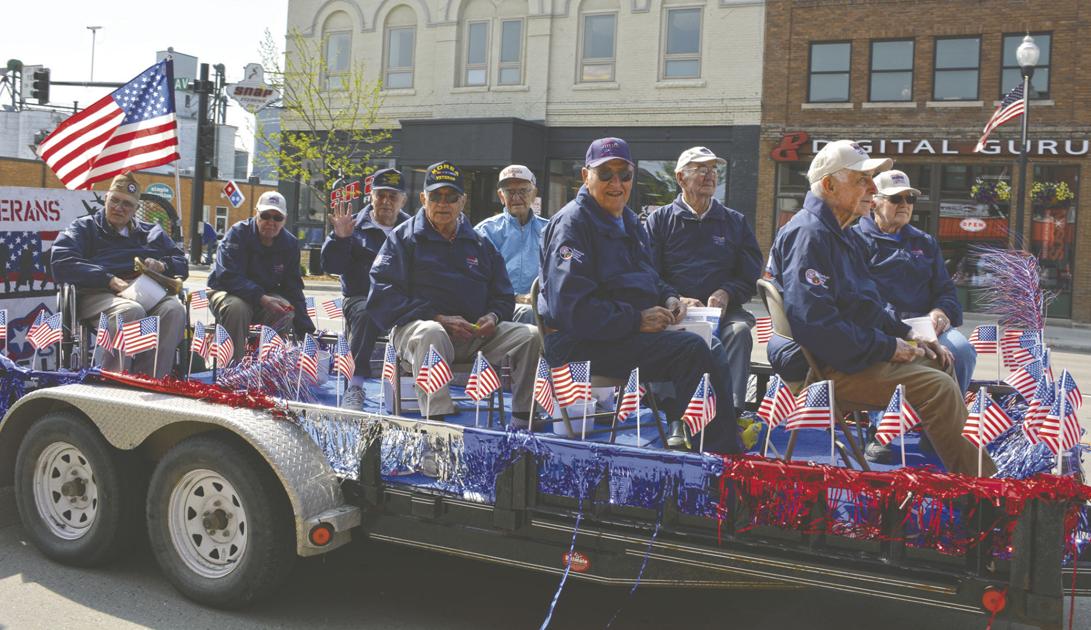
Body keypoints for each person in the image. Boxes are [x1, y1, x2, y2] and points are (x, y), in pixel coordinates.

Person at [765, 140, 993, 477]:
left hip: (839, 352)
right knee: (940, 387)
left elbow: (863, 305)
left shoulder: (839, 233)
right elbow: (814, 324)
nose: (873, 188)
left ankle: (960, 469)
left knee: (940, 360)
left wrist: (910, 335)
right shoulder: (810, 234)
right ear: (829, 185)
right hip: (819, 367)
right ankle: (984, 490)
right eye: (861, 179)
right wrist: (888, 346)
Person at [537, 137, 738, 453]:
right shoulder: (573, 224)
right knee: (691, 350)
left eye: (624, 174)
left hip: (617, 332)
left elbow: (649, 278)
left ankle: (708, 439)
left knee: (708, 343)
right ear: (585, 176)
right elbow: (571, 310)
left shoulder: (627, 220)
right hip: (577, 343)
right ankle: (715, 455)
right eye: (606, 174)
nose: (616, 183)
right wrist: (636, 320)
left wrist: (672, 299)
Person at [367, 161, 542, 422]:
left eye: (451, 197)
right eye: (436, 196)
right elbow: (382, 298)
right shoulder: (403, 239)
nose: (443, 203)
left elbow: (503, 295)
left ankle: (524, 416)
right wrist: (438, 318)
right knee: (432, 333)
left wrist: (493, 316)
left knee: (531, 335)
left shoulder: (480, 242)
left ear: (463, 202)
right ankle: (437, 422)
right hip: (419, 332)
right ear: (424, 198)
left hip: (473, 335)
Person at [645, 147, 763, 412]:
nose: (710, 175)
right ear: (680, 178)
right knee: (661, 330)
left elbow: (749, 273)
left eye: (714, 169)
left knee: (740, 331)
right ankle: (669, 412)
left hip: (724, 313)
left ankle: (728, 412)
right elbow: (647, 273)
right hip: (673, 310)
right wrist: (674, 297)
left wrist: (727, 292)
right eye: (701, 169)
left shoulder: (734, 222)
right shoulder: (659, 221)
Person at [50, 172, 187, 377]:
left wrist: (162, 265)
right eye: (114, 200)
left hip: (144, 291)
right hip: (98, 292)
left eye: (127, 204)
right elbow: (61, 261)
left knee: (174, 310)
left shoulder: (152, 233)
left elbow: (182, 264)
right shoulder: (84, 228)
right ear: (105, 198)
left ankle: (151, 381)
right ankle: (115, 381)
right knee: (131, 311)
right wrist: (108, 279)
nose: (118, 208)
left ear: (136, 209)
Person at [852, 170, 976, 394]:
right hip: (882, 327)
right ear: (873, 203)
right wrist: (903, 329)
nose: (905, 204)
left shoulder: (924, 241)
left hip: (928, 327)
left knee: (961, 349)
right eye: (895, 198)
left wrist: (941, 311)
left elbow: (945, 289)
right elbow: (861, 298)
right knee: (895, 359)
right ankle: (888, 425)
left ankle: (950, 419)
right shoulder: (855, 240)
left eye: (910, 199)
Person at [321, 168, 412, 409]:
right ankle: (355, 385)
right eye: (381, 195)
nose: (386, 202)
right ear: (370, 196)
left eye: (393, 196)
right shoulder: (354, 225)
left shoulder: (412, 228)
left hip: (400, 300)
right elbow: (332, 266)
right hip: (361, 297)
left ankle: (418, 388)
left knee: (429, 318)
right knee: (367, 312)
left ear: (403, 200)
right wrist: (340, 239)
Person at [207, 190, 315, 362]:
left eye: (277, 218)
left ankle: (270, 369)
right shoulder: (237, 233)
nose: (271, 222)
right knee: (238, 308)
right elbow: (227, 276)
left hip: (263, 297)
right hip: (227, 292)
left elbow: (293, 287)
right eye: (265, 215)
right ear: (256, 213)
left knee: (285, 310)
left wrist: (306, 330)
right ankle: (231, 370)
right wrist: (261, 298)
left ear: (284, 220)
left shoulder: (290, 244)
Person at [474, 164, 548, 324]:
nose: (516, 197)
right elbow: (476, 280)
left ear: (534, 194)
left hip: (541, 304)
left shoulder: (549, 230)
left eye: (523, 191)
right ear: (501, 196)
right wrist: (515, 297)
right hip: (497, 308)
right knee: (530, 314)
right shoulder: (485, 231)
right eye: (510, 192)